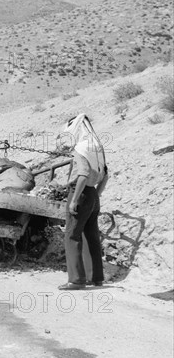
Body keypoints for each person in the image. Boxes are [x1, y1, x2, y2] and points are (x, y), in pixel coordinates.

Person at [59, 114, 108, 290]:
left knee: (72, 235)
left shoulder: (81, 147)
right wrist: (96, 194)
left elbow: (83, 173)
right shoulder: (97, 147)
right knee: (91, 236)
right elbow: (106, 175)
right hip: (93, 194)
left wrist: (74, 199)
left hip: (80, 193)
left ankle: (76, 280)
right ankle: (96, 278)